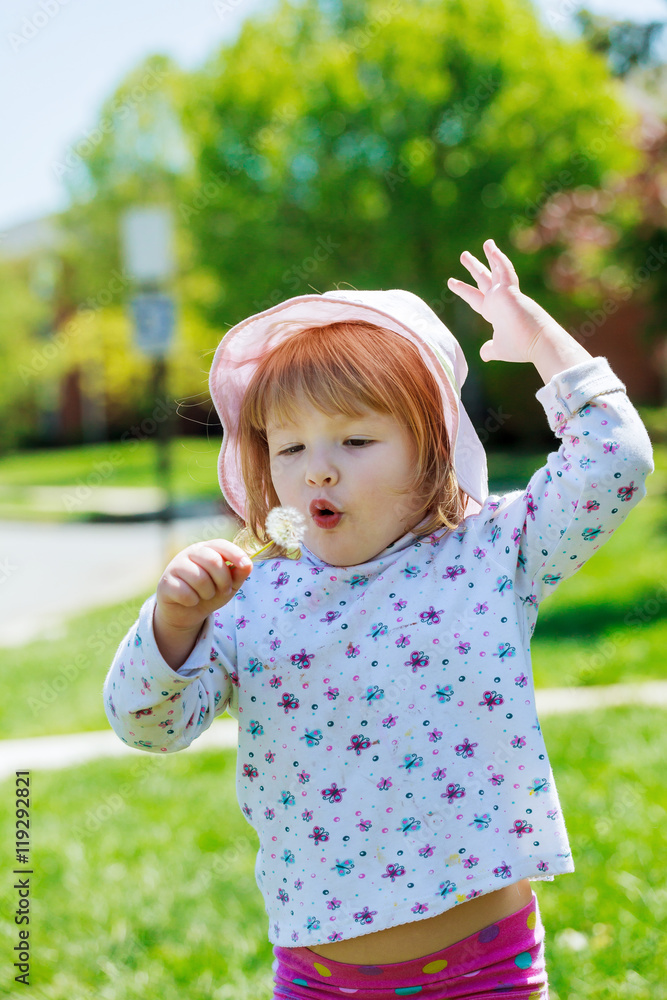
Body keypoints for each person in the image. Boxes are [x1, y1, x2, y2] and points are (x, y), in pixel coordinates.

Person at [103, 239, 654, 999]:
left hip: (483, 965)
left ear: (433, 450)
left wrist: (534, 340)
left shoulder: (489, 554)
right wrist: (171, 624)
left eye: (355, 440)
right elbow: (147, 726)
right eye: (288, 446)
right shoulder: (251, 599)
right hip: (320, 978)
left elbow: (615, 460)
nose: (317, 468)